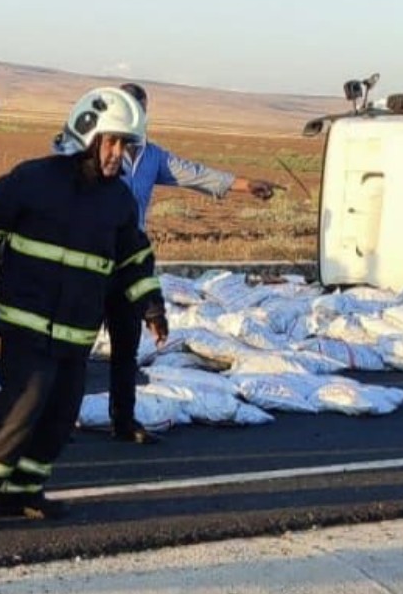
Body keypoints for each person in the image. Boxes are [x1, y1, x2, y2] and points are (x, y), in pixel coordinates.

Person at [0, 87, 168, 530]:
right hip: (26, 324)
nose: (118, 153)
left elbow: (134, 259)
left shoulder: (118, 201)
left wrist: (152, 305)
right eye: (112, 141)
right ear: (85, 134)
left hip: (76, 330)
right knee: (20, 408)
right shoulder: (34, 179)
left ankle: (22, 491)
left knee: (60, 414)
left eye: (125, 144)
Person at [104, 82, 276, 444]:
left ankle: (124, 421)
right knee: (71, 346)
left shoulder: (152, 157)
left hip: (131, 259)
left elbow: (195, 174)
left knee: (126, 343)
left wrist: (245, 185)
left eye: (141, 111)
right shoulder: (94, 151)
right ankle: (54, 420)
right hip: (91, 256)